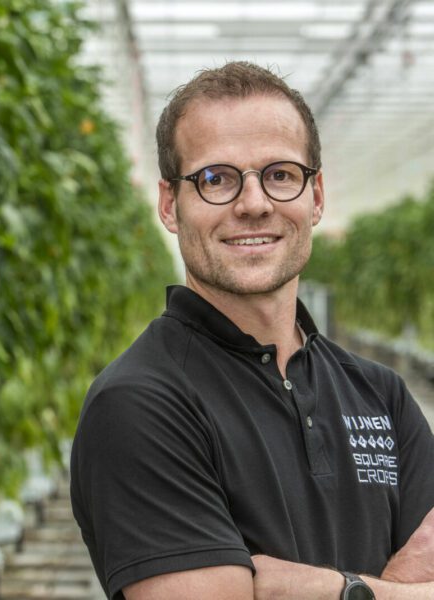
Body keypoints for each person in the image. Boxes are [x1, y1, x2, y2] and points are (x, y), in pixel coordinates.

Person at [69, 61, 434, 600]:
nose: (254, 204)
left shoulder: (380, 393)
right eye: (216, 179)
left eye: (281, 174)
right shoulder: (140, 404)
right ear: (171, 205)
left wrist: (316, 588)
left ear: (316, 197)